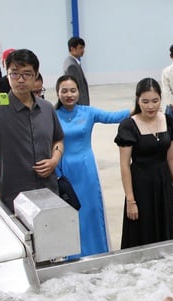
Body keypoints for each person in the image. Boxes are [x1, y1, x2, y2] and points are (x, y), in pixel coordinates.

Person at [0, 49, 64, 211]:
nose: (20, 80)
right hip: (16, 199)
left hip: (49, 192)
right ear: (7, 73)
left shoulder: (46, 108)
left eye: (27, 74)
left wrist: (54, 159)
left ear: (36, 74)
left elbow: (58, 139)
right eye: (15, 74)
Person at [55, 75, 130, 258]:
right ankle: (71, 254)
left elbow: (113, 117)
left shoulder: (88, 112)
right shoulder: (52, 115)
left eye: (73, 90)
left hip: (86, 168)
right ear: (57, 93)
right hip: (62, 169)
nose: (69, 94)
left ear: (79, 92)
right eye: (64, 91)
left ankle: (97, 251)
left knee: (90, 210)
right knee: (69, 212)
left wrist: (139, 107)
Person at [114, 78, 173, 249]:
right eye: (145, 101)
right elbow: (124, 165)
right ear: (137, 100)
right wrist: (131, 200)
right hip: (140, 187)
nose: (150, 106)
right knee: (142, 232)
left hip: (163, 184)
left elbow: (171, 158)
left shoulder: (167, 120)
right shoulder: (128, 126)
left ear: (160, 99)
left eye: (155, 101)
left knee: (164, 231)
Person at [63, 36, 90, 105]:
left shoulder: (69, 61)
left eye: (83, 48)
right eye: (80, 48)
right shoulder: (72, 66)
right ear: (72, 49)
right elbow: (75, 89)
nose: (83, 50)